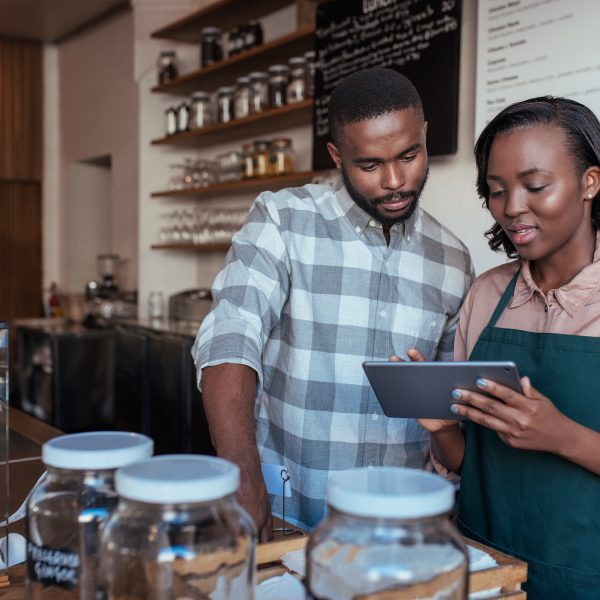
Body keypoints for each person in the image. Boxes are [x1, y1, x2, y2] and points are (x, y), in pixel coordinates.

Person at [192, 67, 473, 539]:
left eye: (410, 155)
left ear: (425, 134)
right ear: (337, 155)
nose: (394, 180)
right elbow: (230, 334)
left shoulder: (453, 259)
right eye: (369, 165)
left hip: (397, 529)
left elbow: (444, 415)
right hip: (288, 517)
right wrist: (241, 476)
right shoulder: (283, 218)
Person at [421, 97, 600, 598]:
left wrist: (563, 436)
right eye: (496, 191)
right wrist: (441, 431)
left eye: (535, 185)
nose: (512, 207)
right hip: (485, 570)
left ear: (591, 182)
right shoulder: (486, 294)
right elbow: (468, 465)